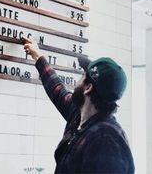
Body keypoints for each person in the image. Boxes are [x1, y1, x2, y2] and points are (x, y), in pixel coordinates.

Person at [23, 37, 135, 174]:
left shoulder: (106, 139)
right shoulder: (79, 115)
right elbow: (57, 90)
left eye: (82, 75)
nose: (78, 80)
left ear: (88, 88)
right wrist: (37, 56)